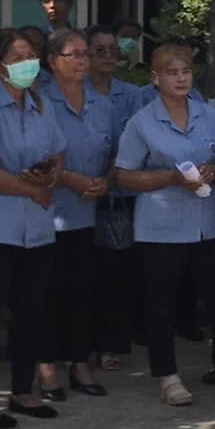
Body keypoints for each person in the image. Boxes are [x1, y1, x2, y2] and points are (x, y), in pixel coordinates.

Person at [114, 42, 215, 405]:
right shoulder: (142, 123)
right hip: (161, 225)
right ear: (156, 78)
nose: (181, 79)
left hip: (208, 221)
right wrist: (170, 178)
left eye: (185, 72)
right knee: (161, 303)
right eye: (172, 73)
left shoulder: (209, 115)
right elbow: (124, 175)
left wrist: (214, 171)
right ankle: (167, 375)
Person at [0, 29, 66, 429]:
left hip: (37, 229)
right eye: (17, 56)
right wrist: (31, 190)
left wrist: (48, 175)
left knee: (30, 313)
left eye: (30, 54)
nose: (26, 63)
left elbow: (57, 153)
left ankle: (23, 390)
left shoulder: (41, 104)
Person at [43, 26, 114, 398]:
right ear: (53, 61)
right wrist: (69, 178)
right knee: (47, 294)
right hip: (47, 215)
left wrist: (105, 180)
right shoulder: (40, 102)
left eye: (86, 54)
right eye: (74, 55)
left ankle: (79, 361)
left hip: (88, 216)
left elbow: (114, 152)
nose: (83, 61)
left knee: (83, 292)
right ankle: (46, 364)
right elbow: (33, 159)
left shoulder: (103, 105)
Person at [85, 24, 144, 369]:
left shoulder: (130, 94)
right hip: (80, 193)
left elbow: (133, 141)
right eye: (99, 50)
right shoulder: (74, 92)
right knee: (85, 273)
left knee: (117, 273)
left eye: (112, 49)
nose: (108, 56)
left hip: (120, 194)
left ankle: (113, 344)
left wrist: (110, 174)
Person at [114, 19, 152, 87]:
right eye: (124, 36)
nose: (128, 40)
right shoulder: (104, 68)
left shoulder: (144, 71)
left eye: (133, 38)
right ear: (114, 36)